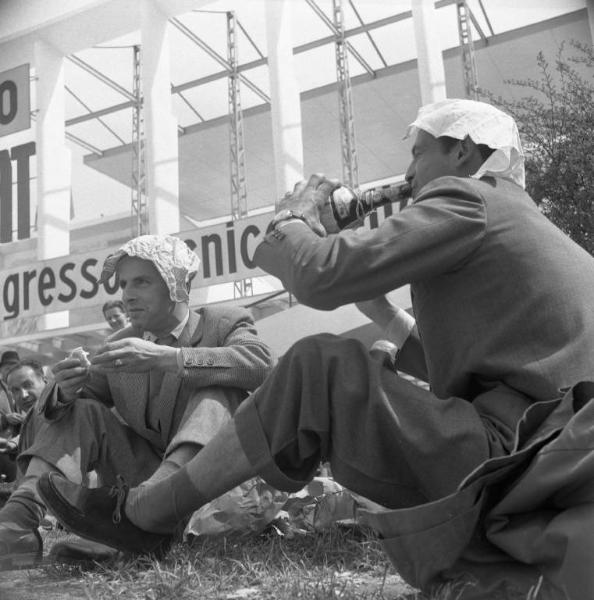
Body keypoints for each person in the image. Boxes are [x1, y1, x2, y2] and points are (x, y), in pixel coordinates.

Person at [38, 100, 594, 598]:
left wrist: (293, 219)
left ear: (467, 151)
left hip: (520, 455)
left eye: (420, 154)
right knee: (343, 365)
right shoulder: (524, 223)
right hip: (545, 450)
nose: (406, 174)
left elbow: (320, 280)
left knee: (319, 364)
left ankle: (147, 512)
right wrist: (382, 311)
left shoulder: (469, 197)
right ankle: (48, 516)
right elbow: (486, 367)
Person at [0, 234, 274, 569]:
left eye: (142, 282)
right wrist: (64, 391)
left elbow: (259, 365)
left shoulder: (225, 321)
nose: (128, 295)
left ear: (178, 285)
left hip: (214, 484)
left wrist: (171, 358)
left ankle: (142, 523)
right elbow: (58, 412)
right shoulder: (120, 343)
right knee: (80, 408)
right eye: (124, 284)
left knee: (219, 390)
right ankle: (16, 524)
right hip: (139, 484)